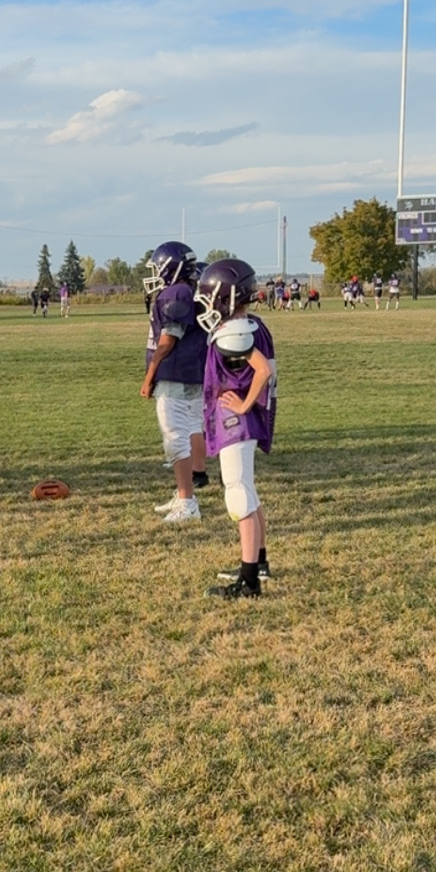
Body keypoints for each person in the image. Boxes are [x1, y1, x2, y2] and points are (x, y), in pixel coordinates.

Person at [195, 257, 276, 601]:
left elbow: (262, 370)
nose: (205, 303)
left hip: (236, 422)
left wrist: (242, 404)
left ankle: (249, 582)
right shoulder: (250, 324)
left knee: (238, 495)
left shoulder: (235, 333)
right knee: (249, 491)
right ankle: (257, 563)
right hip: (245, 421)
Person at [141, 239, 208, 526]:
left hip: (176, 375)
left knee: (174, 439)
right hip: (191, 373)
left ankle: (187, 502)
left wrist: (150, 375)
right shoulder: (188, 289)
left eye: (158, 267)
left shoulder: (176, 293)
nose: (155, 272)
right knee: (191, 428)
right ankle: (185, 494)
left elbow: (167, 340)